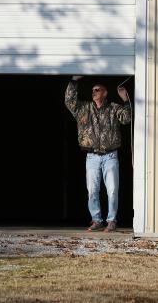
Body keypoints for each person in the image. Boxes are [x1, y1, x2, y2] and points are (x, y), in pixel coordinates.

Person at [65, 75, 132, 232]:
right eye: (93, 90)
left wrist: (126, 100)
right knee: (92, 191)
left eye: (97, 90)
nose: (94, 92)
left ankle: (111, 220)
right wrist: (74, 81)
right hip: (92, 157)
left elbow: (127, 118)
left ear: (105, 92)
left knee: (112, 189)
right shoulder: (84, 109)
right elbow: (69, 102)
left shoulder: (113, 108)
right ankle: (96, 220)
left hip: (110, 156)